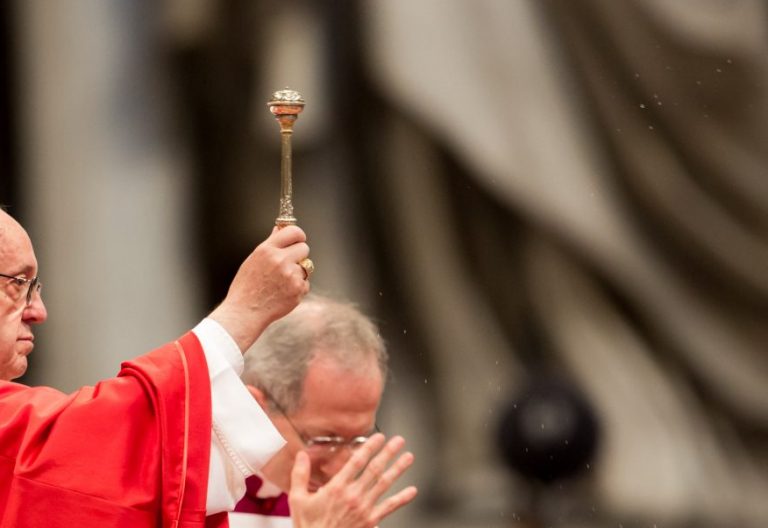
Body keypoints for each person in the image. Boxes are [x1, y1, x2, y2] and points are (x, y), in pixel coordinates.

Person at [0, 208, 413, 528]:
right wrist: (243, 311)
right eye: (18, 283)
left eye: (360, 442)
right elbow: (113, 446)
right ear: (258, 409)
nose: (39, 311)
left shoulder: (333, 506)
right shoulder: (213, 488)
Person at [229, 294, 417, 528]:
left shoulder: (343, 510)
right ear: (255, 411)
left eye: (359, 440)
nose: (339, 470)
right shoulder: (186, 491)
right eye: (325, 440)